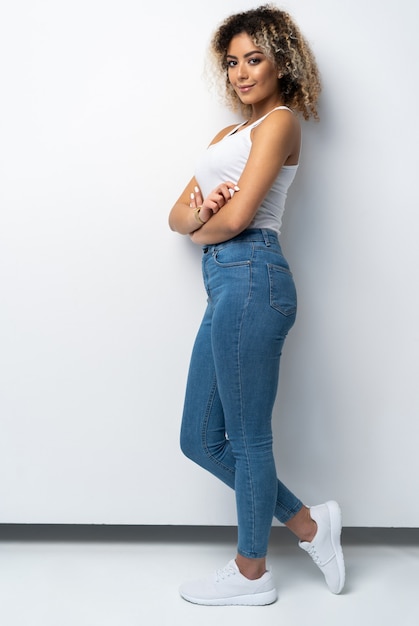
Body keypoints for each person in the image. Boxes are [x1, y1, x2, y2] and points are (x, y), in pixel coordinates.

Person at [168, 4, 345, 606]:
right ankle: (309, 526)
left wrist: (202, 225)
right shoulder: (226, 137)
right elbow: (176, 214)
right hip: (225, 283)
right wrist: (199, 216)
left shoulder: (281, 123)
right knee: (200, 438)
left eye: (254, 58)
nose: (241, 73)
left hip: (253, 275)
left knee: (247, 440)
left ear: (281, 62)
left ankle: (252, 574)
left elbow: (238, 218)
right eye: (233, 62)